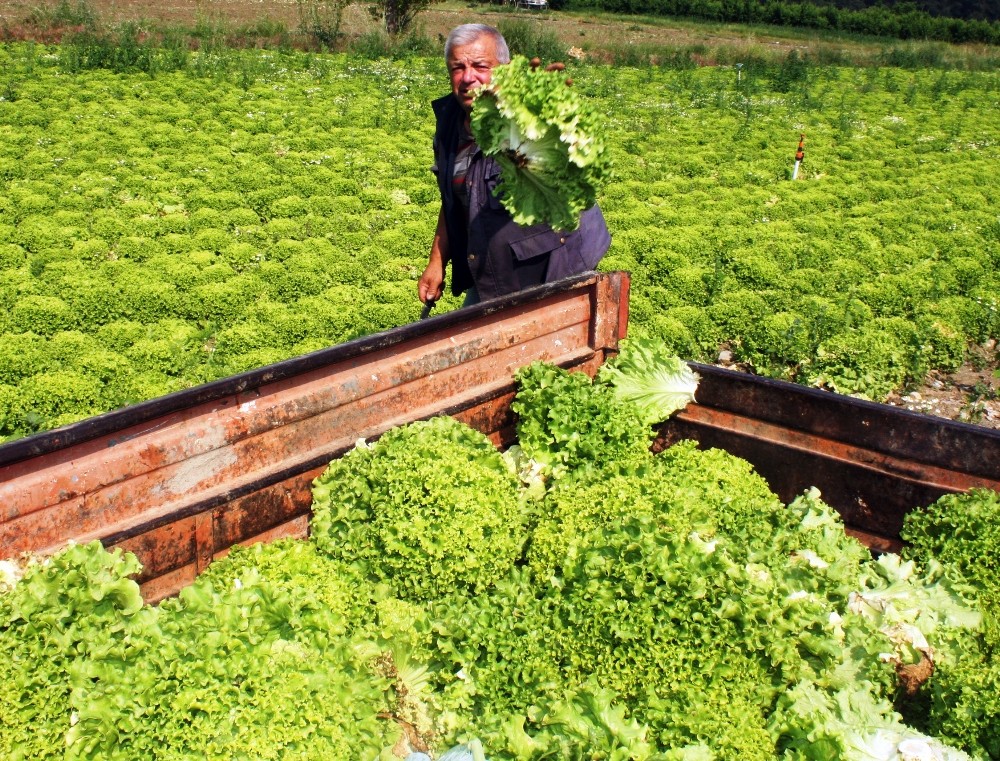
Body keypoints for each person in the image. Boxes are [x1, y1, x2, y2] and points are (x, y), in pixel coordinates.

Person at [418, 24, 611, 308]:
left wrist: (548, 114)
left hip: (556, 265)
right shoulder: (449, 123)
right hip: (494, 268)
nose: (468, 77)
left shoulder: (526, 119)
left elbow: (568, 164)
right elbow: (455, 199)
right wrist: (437, 262)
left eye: (480, 66)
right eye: (457, 68)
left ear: (506, 69)